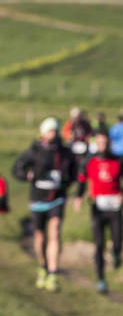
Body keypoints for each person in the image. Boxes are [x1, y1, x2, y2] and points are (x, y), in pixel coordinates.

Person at [13, 117, 78, 291]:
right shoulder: (35, 151)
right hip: (38, 199)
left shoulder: (64, 152)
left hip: (57, 198)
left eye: (55, 130)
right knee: (39, 237)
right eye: (50, 131)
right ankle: (42, 266)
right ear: (43, 133)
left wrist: (65, 182)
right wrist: (27, 176)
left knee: (55, 232)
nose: (53, 133)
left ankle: (53, 272)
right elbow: (17, 168)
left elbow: (74, 173)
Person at [73, 131, 123, 294]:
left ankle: (116, 253)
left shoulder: (119, 161)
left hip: (115, 207)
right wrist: (78, 197)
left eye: (105, 143)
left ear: (109, 144)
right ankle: (101, 279)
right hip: (98, 207)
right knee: (99, 244)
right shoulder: (89, 161)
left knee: (118, 241)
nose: (102, 146)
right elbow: (82, 180)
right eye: (99, 143)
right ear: (95, 144)